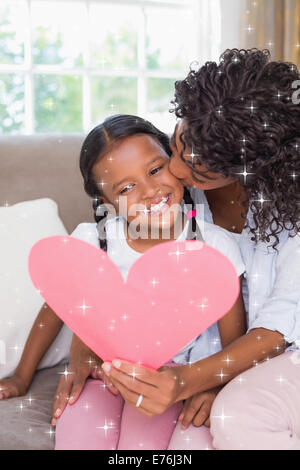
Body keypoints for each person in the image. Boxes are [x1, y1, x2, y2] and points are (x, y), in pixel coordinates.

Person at [0, 115, 246, 450]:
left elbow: (235, 340)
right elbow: (57, 307)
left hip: (169, 381)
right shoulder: (94, 241)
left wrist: (213, 385)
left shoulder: (215, 248)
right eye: (126, 188)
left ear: (175, 161)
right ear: (107, 202)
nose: (150, 192)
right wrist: (21, 377)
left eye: (156, 169)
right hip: (102, 374)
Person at [98, 49, 300, 450]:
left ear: (250, 168)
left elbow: (281, 322)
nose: (174, 171)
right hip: (217, 357)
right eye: (175, 147)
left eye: (197, 170)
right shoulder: (172, 197)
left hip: (285, 353)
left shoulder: (290, 212)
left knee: (235, 416)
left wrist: (205, 379)